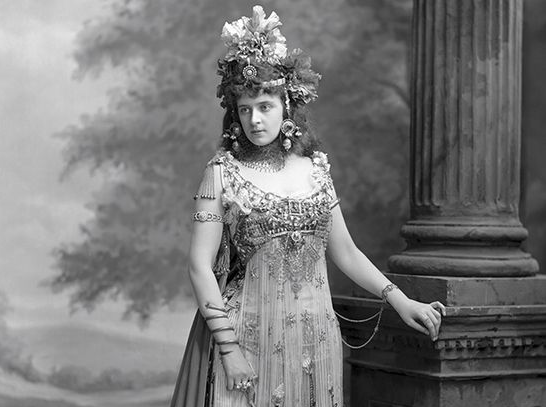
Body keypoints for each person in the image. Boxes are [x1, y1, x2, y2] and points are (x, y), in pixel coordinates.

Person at [171, 5, 446, 407]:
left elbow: (345, 252)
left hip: (315, 341)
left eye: (264, 106)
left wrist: (401, 300)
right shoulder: (220, 173)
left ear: (286, 105)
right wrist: (228, 350)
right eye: (244, 109)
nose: (254, 120)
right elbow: (199, 265)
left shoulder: (316, 169)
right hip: (246, 337)